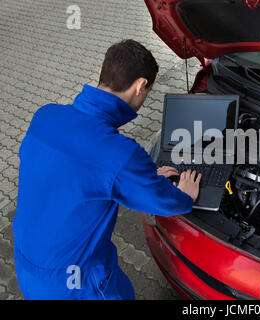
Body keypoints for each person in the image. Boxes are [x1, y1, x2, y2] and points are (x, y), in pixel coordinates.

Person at [12, 39, 201, 300]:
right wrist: (185, 196)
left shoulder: (45, 115)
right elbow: (163, 202)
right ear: (141, 86)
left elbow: (82, 174)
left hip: (26, 265)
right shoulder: (120, 153)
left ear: (101, 73)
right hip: (75, 284)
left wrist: (142, 177)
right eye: (147, 92)